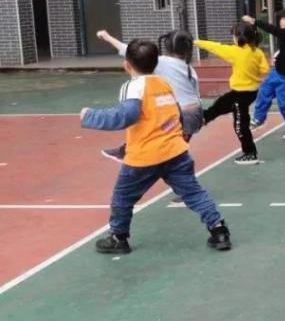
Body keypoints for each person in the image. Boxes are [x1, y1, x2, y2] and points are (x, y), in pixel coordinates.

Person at [80, 39, 230, 254]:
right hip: (175, 152)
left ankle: (118, 237)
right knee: (194, 193)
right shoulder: (163, 83)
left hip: (144, 157)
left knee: (122, 198)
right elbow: (176, 113)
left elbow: (125, 116)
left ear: (127, 65)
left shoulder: (132, 86)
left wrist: (90, 116)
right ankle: (219, 230)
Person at [95, 28, 202, 161]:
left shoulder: (162, 62)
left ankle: (128, 152)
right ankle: (129, 151)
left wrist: (107, 37)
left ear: (168, 45)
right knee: (172, 149)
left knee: (153, 134)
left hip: (180, 116)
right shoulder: (190, 69)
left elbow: (128, 50)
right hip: (194, 115)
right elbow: (196, 94)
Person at [196, 21, 270, 165]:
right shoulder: (257, 52)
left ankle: (250, 153)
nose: (233, 39)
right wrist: (252, 70)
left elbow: (216, 47)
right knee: (222, 103)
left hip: (241, 94)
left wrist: (197, 42)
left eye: (233, 36)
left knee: (240, 125)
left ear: (239, 38)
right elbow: (265, 69)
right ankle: (204, 118)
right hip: (251, 92)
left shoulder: (235, 51)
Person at [245, 8, 285, 140]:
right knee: (264, 93)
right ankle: (258, 119)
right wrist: (278, 55)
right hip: (276, 73)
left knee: (284, 104)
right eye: (281, 18)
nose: (281, 21)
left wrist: (255, 21)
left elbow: (273, 30)